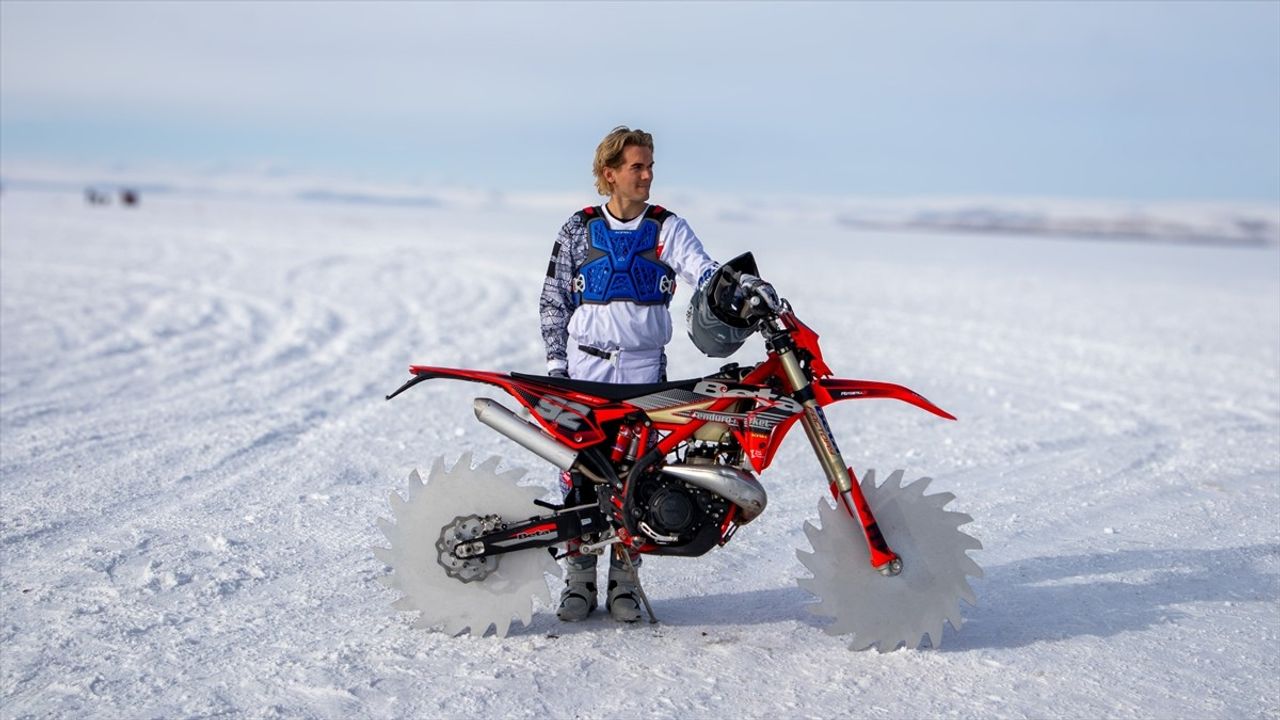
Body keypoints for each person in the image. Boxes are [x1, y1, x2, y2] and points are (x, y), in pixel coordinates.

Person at [539, 126, 724, 623]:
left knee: (637, 478)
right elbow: (554, 299)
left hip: (645, 372)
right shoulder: (578, 229)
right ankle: (577, 578)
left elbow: (701, 270)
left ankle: (625, 578)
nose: (647, 175)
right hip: (584, 369)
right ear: (610, 174)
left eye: (650, 167)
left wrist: (730, 286)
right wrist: (558, 368)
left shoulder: (667, 228)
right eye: (637, 167)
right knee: (578, 473)